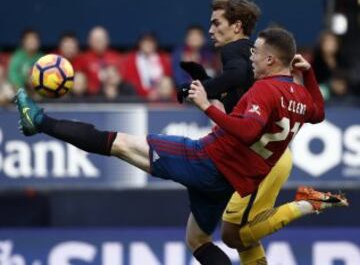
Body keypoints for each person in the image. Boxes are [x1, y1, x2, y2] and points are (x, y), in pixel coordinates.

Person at [14, 27, 348, 265]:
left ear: (272, 61)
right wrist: (310, 76)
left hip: (207, 160)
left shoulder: (265, 90)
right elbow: (318, 113)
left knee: (116, 143)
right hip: (229, 179)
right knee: (199, 241)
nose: (251, 57)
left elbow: (247, 132)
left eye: (255, 53)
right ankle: (304, 206)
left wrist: (207, 106)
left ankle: (38, 120)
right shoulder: (302, 96)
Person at [178, 0, 292, 264]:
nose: (210, 30)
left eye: (216, 23)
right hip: (270, 155)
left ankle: (305, 205)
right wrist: (205, 80)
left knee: (232, 235)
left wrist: (204, 89)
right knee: (243, 239)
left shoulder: (234, 51)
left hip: (261, 158)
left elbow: (238, 74)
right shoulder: (250, 53)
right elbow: (240, 86)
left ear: (237, 26)